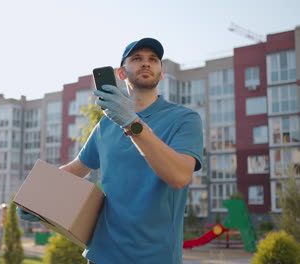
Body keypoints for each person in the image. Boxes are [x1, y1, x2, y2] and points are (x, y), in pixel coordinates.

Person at [18, 37, 203, 264]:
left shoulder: (184, 119)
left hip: (155, 257)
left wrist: (131, 122)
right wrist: (36, 196)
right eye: (137, 59)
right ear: (121, 73)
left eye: (153, 60)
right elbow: (77, 168)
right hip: (100, 255)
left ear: (161, 73)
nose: (146, 63)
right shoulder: (107, 124)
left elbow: (179, 176)